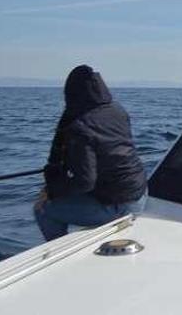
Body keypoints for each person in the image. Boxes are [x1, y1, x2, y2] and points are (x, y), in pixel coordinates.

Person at [34, 65, 147, 241]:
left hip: (118, 206)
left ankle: (58, 252)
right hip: (140, 194)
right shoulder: (117, 110)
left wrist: (53, 192)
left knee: (42, 209)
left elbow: (85, 182)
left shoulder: (80, 127)